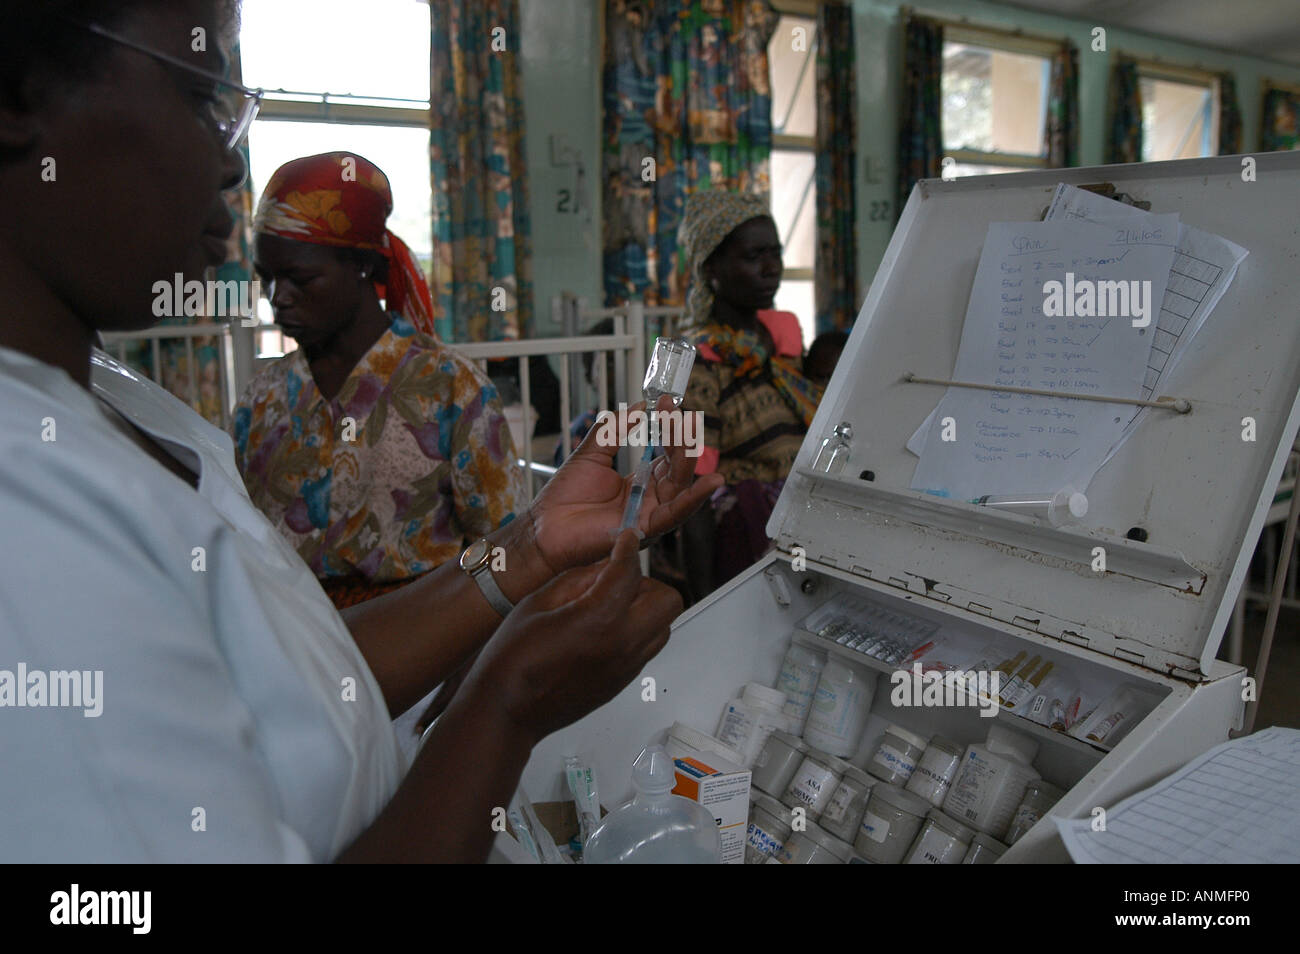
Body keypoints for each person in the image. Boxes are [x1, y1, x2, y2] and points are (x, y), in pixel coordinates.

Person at [0, 0, 722, 862]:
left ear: (362, 271)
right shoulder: (35, 525)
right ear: (18, 95)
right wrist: (509, 705)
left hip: (419, 712)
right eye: (199, 98)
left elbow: (297, 678)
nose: (231, 164)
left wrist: (528, 545)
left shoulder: (124, 404)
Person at [233, 152, 525, 609]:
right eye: (265, 279)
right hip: (293, 638)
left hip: (425, 644)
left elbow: (502, 549)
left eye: (300, 278)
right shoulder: (262, 400)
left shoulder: (451, 390)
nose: (277, 299)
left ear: (363, 266)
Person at [676, 191, 824, 600]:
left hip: (807, 508)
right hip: (752, 526)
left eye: (775, 254)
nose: (771, 269)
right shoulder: (697, 360)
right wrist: (702, 604)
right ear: (711, 269)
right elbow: (695, 488)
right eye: (754, 256)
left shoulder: (782, 337)